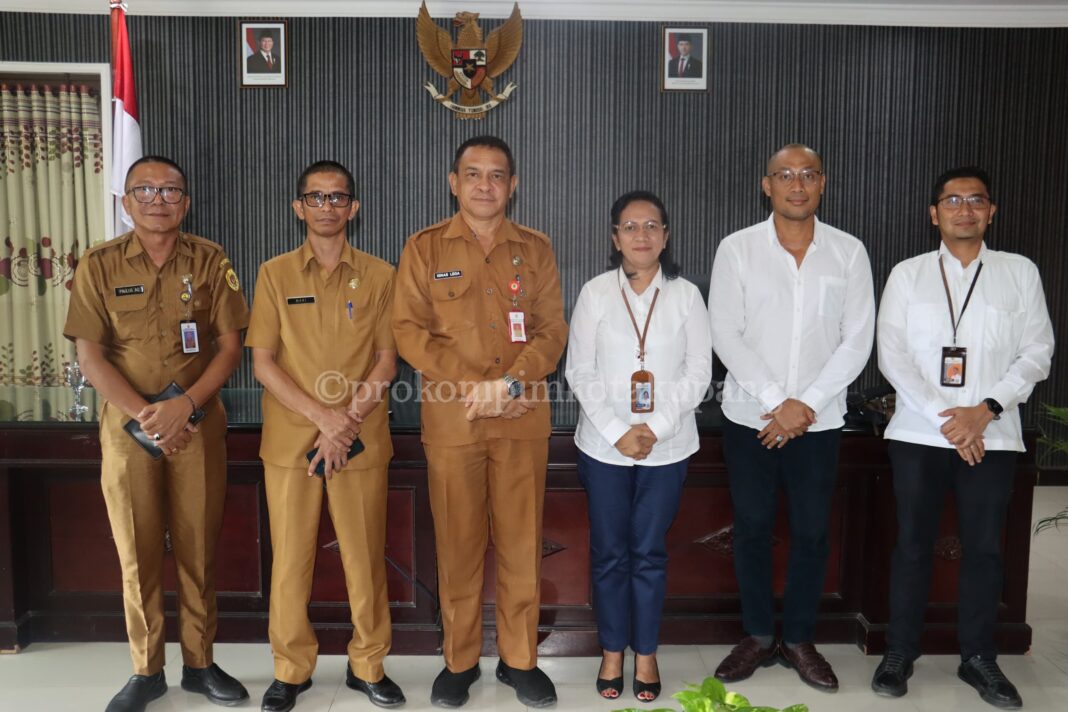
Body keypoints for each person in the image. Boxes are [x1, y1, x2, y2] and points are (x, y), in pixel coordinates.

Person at [64, 155, 250, 712]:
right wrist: (148, 415)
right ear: (126, 202)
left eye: (171, 191)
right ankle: (146, 670)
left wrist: (185, 408)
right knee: (137, 552)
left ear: (186, 203)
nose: (158, 200)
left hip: (196, 426)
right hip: (128, 431)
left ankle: (199, 662)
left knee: (197, 548)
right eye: (145, 190)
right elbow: (89, 354)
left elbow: (230, 347)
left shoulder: (212, 260)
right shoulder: (98, 265)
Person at [392, 135, 567, 708]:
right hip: (454, 420)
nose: (485, 185)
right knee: (458, 546)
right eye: (473, 174)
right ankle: (460, 661)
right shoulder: (424, 249)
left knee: (521, 545)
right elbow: (409, 332)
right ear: (453, 182)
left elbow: (551, 332)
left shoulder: (536, 250)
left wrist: (510, 385)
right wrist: (476, 387)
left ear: (513, 186)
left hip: (520, 416)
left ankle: (520, 661)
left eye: (497, 175)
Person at [872, 167, 1054, 709]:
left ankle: (979, 657)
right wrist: (950, 419)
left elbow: (1037, 351)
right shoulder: (908, 275)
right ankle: (900, 650)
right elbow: (893, 357)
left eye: (976, 200)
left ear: (991, 211)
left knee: (983, 551)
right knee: (912, 546)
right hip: (918, 434)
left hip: (992, 436)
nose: (965, 209)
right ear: (934, 213)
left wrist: (985, 410)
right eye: (953, 200)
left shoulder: (1019, 272)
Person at [707, 143, 875, 693]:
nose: (796, 184)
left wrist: (804, 405)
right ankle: (757, 635)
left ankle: (800, 638)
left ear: (823, 183)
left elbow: (857, 340)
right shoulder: (737, 250)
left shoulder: (849, 253)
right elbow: (725, 333)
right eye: (785, 175)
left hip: (819, 423)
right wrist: (778, 400)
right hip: (750, 417)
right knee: (751, 529)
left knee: (811, 533)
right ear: (767, 185)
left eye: (807, 175)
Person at [246, 161, 405, 711]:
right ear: (299, 208)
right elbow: (263, 363)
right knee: (290, 561)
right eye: (316, 198)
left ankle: (369, 664)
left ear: (354, 208)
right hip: (292, 444)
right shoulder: (274, 274)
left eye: (339, 198)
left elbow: (387, 362)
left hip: (360, 441)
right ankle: (291, 669)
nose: (328, 207)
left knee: (364, 558)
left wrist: (346, 423)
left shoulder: (383, 276)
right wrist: (325, 419)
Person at [564, 191, 711, 703]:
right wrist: (617, 430)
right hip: (604, 448)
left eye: (652, 226)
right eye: (630, 226)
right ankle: (611, 652)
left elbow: (699, 373)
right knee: (609, 553)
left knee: (648, 553)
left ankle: (645, 653)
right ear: (615, 237)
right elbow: (578, 370)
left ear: (666, 236)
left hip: (667, 448)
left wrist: (656, 426)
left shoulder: (687, 295)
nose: (641, 235)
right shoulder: (595, 293)